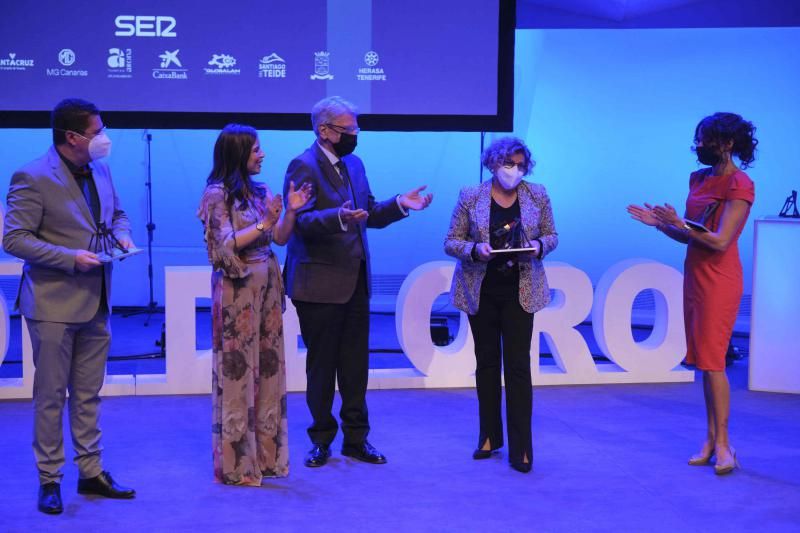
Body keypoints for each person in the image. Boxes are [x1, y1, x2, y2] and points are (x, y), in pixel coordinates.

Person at [282, 96, 433, 468]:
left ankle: (356, 438)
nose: (355, 135)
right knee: (322, 365)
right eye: (349, 129)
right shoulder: (303, 165)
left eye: (355, 128)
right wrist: (338, 217)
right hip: (318, 284)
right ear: (325, 131)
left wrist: (399, 204)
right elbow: (296, 223)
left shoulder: (355, 164)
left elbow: (368, 214)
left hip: (355, 281)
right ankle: (320, 439)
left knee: (354, 365)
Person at [3, 98, 136, 514]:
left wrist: (123, 236)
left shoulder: (101, 169)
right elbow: (14, 238)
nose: (104, 139)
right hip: (53, 304)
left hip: (97, 299)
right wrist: (69, 257)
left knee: (88, 394)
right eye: (97, 132)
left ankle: (91, 471)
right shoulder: (32, 176)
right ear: (72, 137)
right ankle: (49, 478)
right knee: (49, 396)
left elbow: (119, 215)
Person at [627, 112, 757, 475]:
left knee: (714, 362)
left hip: (720, 278)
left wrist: (679, 222)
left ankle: (725, 444)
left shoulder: (740, 184)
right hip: (694, 277)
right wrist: (663, 226)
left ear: (728, 143)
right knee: (704, 363)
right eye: (697, 138)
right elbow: (690, 236)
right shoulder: (697, 178)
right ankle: (710, 438)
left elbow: (719, 241)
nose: (698, 145)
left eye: (706, 139)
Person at [198, 124, 312, 486]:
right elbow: (225, 245)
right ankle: (237, 464)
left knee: (269, 369)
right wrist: (265, 222)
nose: (262, 155)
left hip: (266, 287)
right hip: (237, 289)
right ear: (238, 154)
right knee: (238, 371)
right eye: (256, 150)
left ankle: (266, 457)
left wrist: (290, 213)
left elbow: (276, 237)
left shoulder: (260, 190)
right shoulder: (217, 195)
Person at [444, 136, 558, 474]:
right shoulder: (471, 195)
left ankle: (522, 448)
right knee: (487, 364)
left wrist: (538, 246)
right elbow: (451, 240)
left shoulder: (537, 194)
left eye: (521, 165)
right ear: (494, 164)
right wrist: (473, 250)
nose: (515, 171)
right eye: (510, 164)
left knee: (519, 367)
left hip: (521, 290)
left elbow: (552, 235)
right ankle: (489, 436)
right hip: (481, 289)